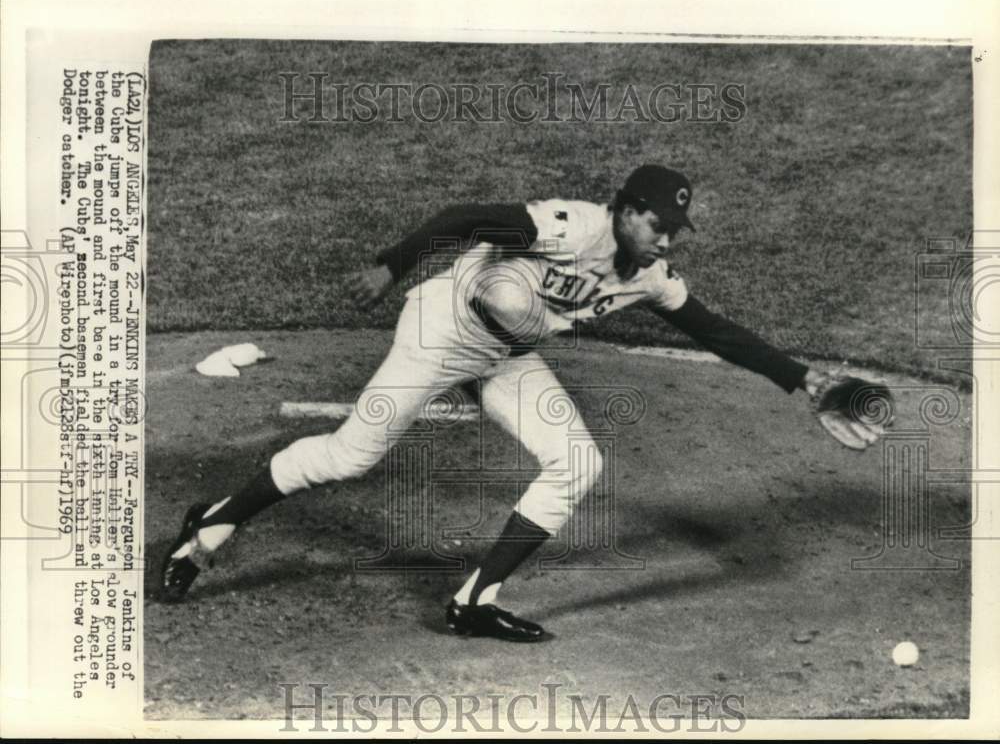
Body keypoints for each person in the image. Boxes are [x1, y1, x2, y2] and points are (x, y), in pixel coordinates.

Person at [160, 164, 882, 642]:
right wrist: (394, 261)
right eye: (654, 223)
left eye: (672, 231)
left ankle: (473, 600)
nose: (663, 238)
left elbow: (714, 329)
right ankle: (214, 526)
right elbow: (466, 215)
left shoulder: (651, 276)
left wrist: (803, 379)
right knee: (353, 452)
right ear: (624, 210)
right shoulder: (571, 226)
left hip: (503, 355)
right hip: (441, 329)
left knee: (577, 461)